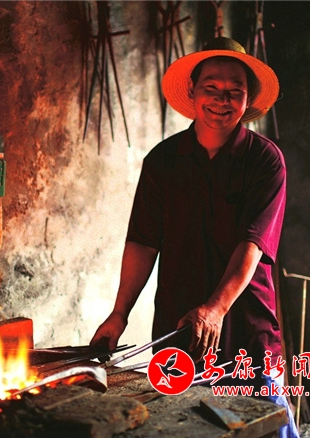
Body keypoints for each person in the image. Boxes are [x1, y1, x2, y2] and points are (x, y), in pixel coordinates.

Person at [90, 37, 299, 438]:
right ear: (193, 91)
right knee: (179, 429)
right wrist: (119, 314)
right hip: (179, 331)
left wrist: (215, 309)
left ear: (248, 99)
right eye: (211, 87)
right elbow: (142, 242)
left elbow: (253, 244)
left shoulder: (265, 160)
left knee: (264, 428)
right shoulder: (162, 161)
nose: (222, 100)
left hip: (248, 333)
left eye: (235, 91)